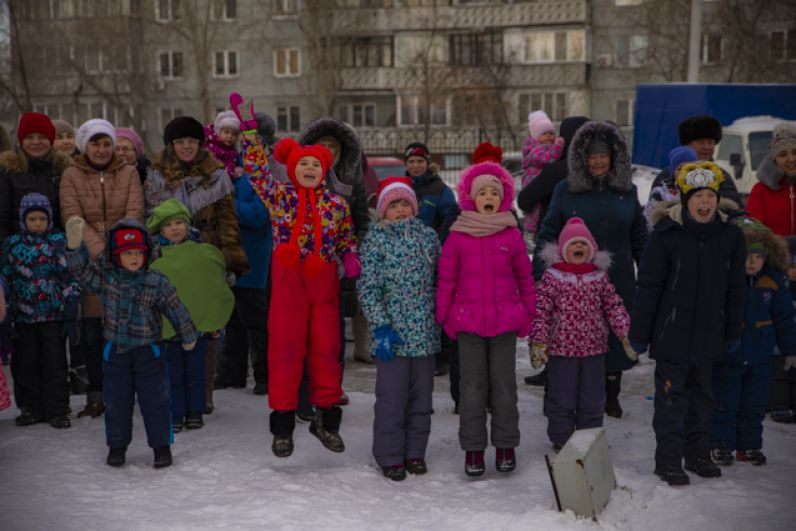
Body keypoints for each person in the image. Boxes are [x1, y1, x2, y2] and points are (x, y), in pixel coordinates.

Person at [239, 101, 359, 458]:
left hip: (322, 281)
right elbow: (258, 171)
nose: (309, 168)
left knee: (326, 350)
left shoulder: (336, 205)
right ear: (292, 168)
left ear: (324, 170)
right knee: (286, 349)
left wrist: (350, 255)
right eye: (303, 164)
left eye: (315, 165)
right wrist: (248, 132)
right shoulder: (280, 197)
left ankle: (326, 421)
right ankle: (283, 427)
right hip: (289, 280)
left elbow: (346, 236)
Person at [630, 161, 746, 486]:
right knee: (671, 402)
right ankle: (667, 461)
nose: (705, 202)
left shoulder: (730, 237)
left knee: (703, 399)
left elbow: (737, 289)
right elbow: (648, 287)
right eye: (698, 196)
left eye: (710, 195)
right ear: (685, 199)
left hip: (710, 335)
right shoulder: (666, 236)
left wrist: (733, 330)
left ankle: (697, 454)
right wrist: (639, 334)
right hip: (672, 336)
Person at [65, 217, 199, 469]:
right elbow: (82, 273)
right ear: (116, 257)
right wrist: (75, 247)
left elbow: (175, 307)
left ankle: (161, 447)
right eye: (128, 254)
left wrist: (188, 334)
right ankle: (117, 446)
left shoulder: (156, 281)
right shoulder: (108, 279)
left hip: (150, 352)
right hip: (116, 353)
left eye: (139, 252)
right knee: (117, 402)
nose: (134, 258)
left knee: (156, 402)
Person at [533, 121, 647, 417]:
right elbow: (548, 230)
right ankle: (557, 395)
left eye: (603, 156)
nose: (598, 161)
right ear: (582, 159)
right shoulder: (566, 190)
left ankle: (610, 395)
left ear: (614, 157)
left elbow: (639, 236)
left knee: (614, 337)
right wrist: (542, 272)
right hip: (571, 282)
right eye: (592, 156)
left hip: (617, 276)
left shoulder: (628, 191)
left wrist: (647, 273)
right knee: (566, 338)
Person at [436, 158, 536, 477]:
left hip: (505, 324)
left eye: (494, 192)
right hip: (468, 325)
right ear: (471, 198)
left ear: (503, 197)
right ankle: (474, 449)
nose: (489, 198)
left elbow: (524, 278)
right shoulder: (458, 236)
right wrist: (445, 317)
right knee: (473, 387)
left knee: (504, 386)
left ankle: (506, 444)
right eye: (483, 193)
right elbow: (446, 280)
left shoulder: (510, 235)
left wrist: (527, 313)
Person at [145, 115, 249, 414]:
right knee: (169, 327)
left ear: (201, 143)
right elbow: (149, 221)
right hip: (169, 262)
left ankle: (203, 392)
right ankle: (172, 392)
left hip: (206, 255)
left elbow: (229, 222)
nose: (186, 147)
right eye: (180, 141)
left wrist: (228, 261)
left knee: (207, 326)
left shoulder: (217, 175)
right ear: (171, 144)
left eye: (192, 141)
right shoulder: (155, 176)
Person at [60, 118, 145, 419]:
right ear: (85, 145)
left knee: (124, 328)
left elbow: (135, 211)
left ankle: (128, 391)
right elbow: (72, 216)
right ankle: (97, 394)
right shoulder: (71, 174)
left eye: (106, 143)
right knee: (93, 333)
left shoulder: (129, 172)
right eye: (95, 143)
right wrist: (100, 251)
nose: (101, 149)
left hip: (125, 257)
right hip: (90, 263)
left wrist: (119, 250)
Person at [358, 177, 440, 481]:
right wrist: (380, 326)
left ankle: (415, 452)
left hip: (424, 334)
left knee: (422, 399)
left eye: (406, 203)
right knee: (392, 398)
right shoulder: (376, 240)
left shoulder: (428, 237)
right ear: (382, 211)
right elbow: (369, 287)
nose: (401, 209)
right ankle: (390, 454)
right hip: (391, 336)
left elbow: (438, 280)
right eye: (394, 204)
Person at [531, 217, 635, 451]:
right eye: (573, 245)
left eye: (583, 245)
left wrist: (625, 334)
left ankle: (589, 436)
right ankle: (561, 434)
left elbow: (614, 306)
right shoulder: (552, 278)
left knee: (593, 396)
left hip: (594, 349)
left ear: (592, 250)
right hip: (561, 349)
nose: (579, 248)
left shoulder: (599, 278)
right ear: (563, 250)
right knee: (562, 394)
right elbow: (541, 311)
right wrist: (538, 341)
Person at [710, 217, 796, 467]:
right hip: (729, 355)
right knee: (725, 403)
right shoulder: (726, 282)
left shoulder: (772, 283)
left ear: (766, 258)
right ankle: (722, 444)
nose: (751, 262)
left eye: (757, 257)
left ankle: (748, 445)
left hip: (760, 357)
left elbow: (784, 319)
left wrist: (790, 350)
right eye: (746, 256)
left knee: (754, 404)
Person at [147, 198, 235, 432]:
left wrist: (214, 317)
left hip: (198, 328)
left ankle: (195, 412)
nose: (175, 228)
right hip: (169, 331)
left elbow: (212, 287)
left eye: (179, 222)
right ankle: (176, 414)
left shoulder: (205, 254)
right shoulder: (155, 259)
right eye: (168, 225)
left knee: (196, 372)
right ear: (160, 230)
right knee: (172, 374)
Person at [299, 117, 369, 404]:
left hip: (338, 266)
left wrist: (353, 250)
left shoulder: (351, 180)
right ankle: (304, 389)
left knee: (333, 334)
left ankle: (331, 387)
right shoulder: (300, 177)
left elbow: (361, 218)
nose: (327, 150)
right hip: (303, 266)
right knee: (304, 332)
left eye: (332, 145)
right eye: (322, 145)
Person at [516, 115, 588, 387]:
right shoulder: (594, 170)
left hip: (553, 247)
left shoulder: (557, 170)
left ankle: (553, 369)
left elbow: (524, 198)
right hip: (586, 250)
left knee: (552, 310)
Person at [1, 193, 80, 429]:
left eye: (42, 219)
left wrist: (71, 308)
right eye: (32, 219)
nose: (37, 224)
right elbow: (6, 279)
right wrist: (8, 314)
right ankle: (32, 408)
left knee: (55, 364)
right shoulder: (12, 245)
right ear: (23, 220)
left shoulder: (57, 243)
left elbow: (68, 277)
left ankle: (57, 409)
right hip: (23, 319)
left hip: (52, 316)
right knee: (26, 365)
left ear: (50, 219)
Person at [214, 117, 273, 396]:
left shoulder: (263, 179)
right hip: (228, 257)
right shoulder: (231, 171)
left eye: (256, 145)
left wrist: (227, 203)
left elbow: (259, 216)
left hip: (252, 261)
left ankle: (264, 376)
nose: (251, 149)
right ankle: (230, 373)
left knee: (256, 323)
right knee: (231, 319)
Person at [0, 112, 72, 244]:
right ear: (22, 140)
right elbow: (2, 217)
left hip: (57, 248)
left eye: (42, 137)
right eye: (29, 137)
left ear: (50, 140)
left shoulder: (64, 169)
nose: (36, 142)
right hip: (17, 249)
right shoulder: (7, 170)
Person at [649, 115, 740, 204]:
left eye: (710, 142)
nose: (707, 147)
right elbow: (653, 210)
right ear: (687, 144)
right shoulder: (667, 176)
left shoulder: (721, 175)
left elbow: (734, 207)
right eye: (701, 142)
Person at [520, 110, 565, 251]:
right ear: (536, 136)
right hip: (532, 182)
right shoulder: (536, 150)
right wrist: (559, 145)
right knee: (534, 212)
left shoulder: (544, 147)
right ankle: (529, 233)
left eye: (552, 134)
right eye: (545, 134)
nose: (550, 137)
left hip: (537, 180)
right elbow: (549, 159)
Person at [746, 123, 796, 237]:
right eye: (783, 155)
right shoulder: (760, 190)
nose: (791, 159)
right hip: (773, 253)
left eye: (795, 152)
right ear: (774, 160)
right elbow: (754, 231)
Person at [770, 235, 796, 423]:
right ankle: (779, 406)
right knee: (779, 374)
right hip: (779, 341)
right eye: (791, 267)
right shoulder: (778, 284)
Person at [643, 146, 697, 231]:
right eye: (680, 168)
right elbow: (649, 219)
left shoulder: (701, 192)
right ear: (673, 172)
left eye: (689, 168)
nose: (684, 172)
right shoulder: (661, 193)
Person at [204, 110, 242, 179]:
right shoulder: (208, 146)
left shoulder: (233, 154)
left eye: (234, 134)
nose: (230, 136)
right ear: (219, 132)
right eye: (226, 132)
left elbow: (228, 171)